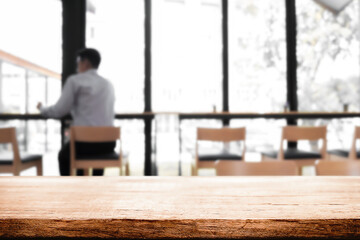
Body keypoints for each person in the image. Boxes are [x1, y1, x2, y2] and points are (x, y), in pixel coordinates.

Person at [37, 48, 115, 176]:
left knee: (63, 156)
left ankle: (69, 192)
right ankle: (96, 188)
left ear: (86, 63)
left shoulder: (75, 81)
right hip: (108, 143)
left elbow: (59, 110)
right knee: (97, 156)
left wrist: (42, 109)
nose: (77, 64)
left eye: (78, 61)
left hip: (84, 144)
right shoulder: (108, 84)